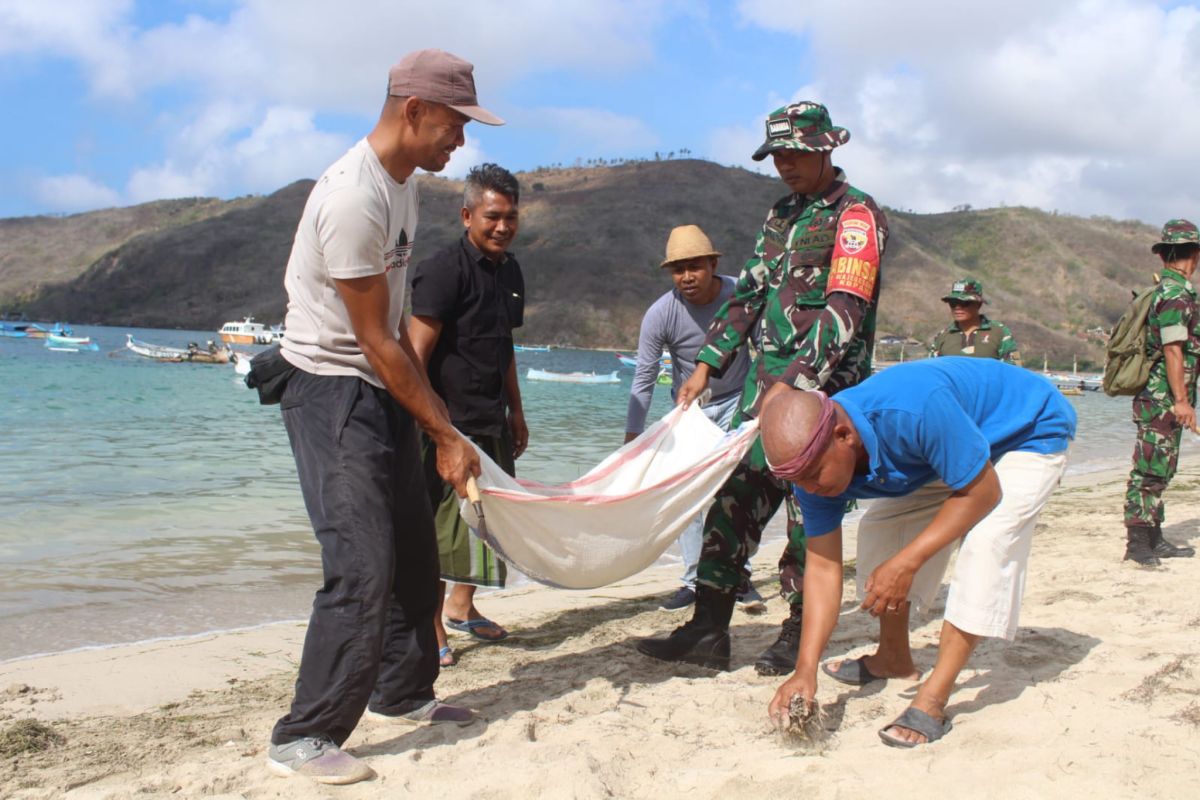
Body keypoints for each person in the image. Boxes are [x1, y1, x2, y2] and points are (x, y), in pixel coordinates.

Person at [265, 50, 501, 785]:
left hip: (381, 384)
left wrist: (430, 421)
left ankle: (403, 694)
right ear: (413, 110)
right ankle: (302, 737)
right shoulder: (352, 197)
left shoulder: (404, 186)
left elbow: (395, 331)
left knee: (414, 551)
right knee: (360, 562)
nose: (460, 142)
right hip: (330, 391)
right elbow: (371, 338)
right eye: (455, 125)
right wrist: (444, 430)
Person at [636, 101, 888, 674]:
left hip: (824, 400)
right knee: (733, 505)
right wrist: (705, 365)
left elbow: (847, 309)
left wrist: (794, 387)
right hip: (763, 395)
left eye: (795, 152)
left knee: (809, 515)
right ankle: (707, 631)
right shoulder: (781, 215)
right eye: (777, 154)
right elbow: (747, 294)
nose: (785, 164)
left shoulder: (856, 217)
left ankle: (799, 632)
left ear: (825, 148)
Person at [761, 358, 1076, 747]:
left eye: (812, 475)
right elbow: (824, 570)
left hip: (1025, 431)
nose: (807, 487)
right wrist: (804, 669)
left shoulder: (913, 409)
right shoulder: (809, 467)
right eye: (797, 480)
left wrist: (909, 561)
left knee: (987, 541)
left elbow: (983, 493)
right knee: (882, 528)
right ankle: (894, 657)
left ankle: (933, 698)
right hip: (954, 445)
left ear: (844, 436)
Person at [409, 163, 527, 664]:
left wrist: (517, 411)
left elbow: (505, 348)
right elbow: (414, 354)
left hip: (491, 419)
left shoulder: (512, 271)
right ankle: (432, 625)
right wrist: (433, 428)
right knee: (439, 529)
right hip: (445, 424)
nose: (502, 227)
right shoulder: (442, 270)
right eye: (492, 216)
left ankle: (462, 606)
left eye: (511, 218)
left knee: (486, 521)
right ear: (467, 215)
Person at [623, 225, 761, 612]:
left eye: (695, 267)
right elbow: (644, 376)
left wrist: (761, 404)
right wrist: (633, 436)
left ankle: (738, 575)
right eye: (677, 269)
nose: (686, 277)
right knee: (688, 494)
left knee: (735, 493)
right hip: (690, 410)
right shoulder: (661, 313)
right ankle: (692, 579)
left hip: (737, 400)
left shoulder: (740, 295)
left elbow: (763, 349)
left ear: (713, 264)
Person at [1122, 220, 1200, 565]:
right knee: (1150, 468)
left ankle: (1154, 537)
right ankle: (1137, 544)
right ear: (1194, 254)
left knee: (1162, 465)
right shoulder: (1175, 294)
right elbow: (1173, 350)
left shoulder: (1170, 290)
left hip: (1161, 395)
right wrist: (1181, 400)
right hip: (1162, 397)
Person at [929, 278, 1022, 364]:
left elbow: (1015, 368)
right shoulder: (942, 337)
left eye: (964, 303)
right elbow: (933, 373)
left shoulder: (1000, 332)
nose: (957, 308)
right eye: (953, 304)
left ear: (978, 304)